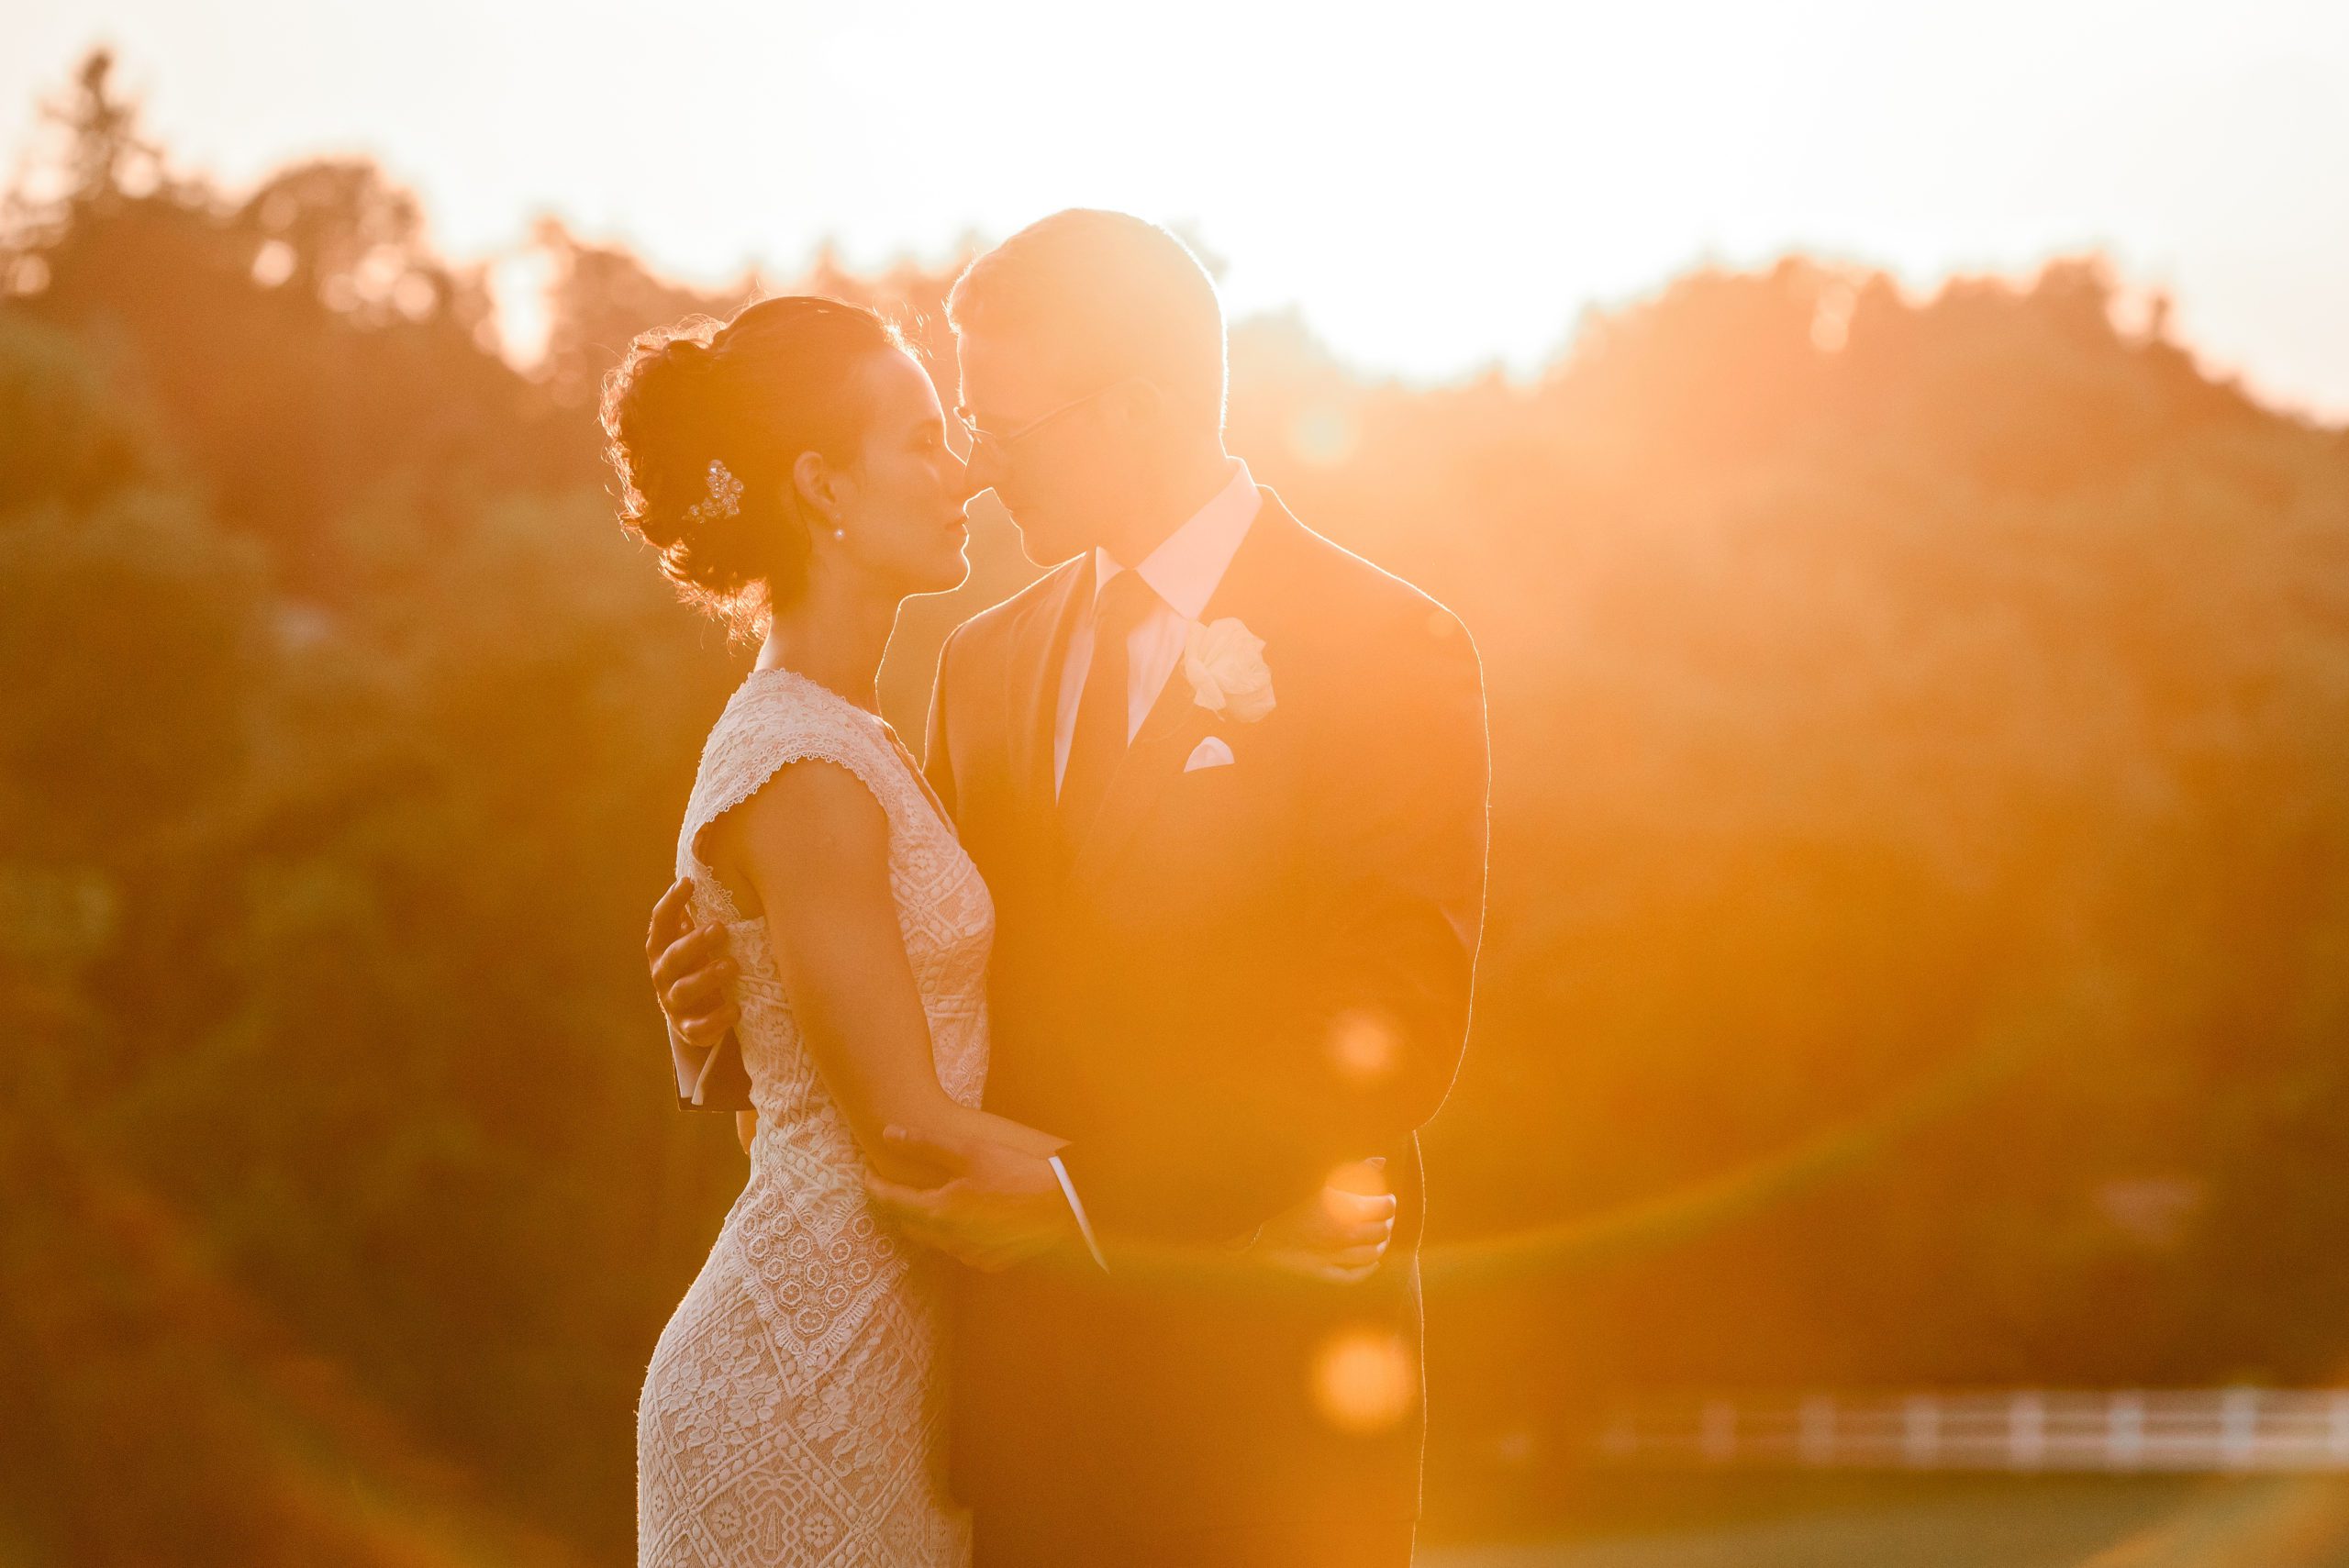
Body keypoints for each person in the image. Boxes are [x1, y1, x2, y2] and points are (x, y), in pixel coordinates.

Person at [615, 290, 1394, 1568]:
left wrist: (729, 1027)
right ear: (823, 488)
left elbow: (841, 1056)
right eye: (922, 441)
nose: (964, 473)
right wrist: (1239, 1215)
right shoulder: (802, 761)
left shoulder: (869, 738)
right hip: (808, 1371)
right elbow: (907, 1130)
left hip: (913, 1365)